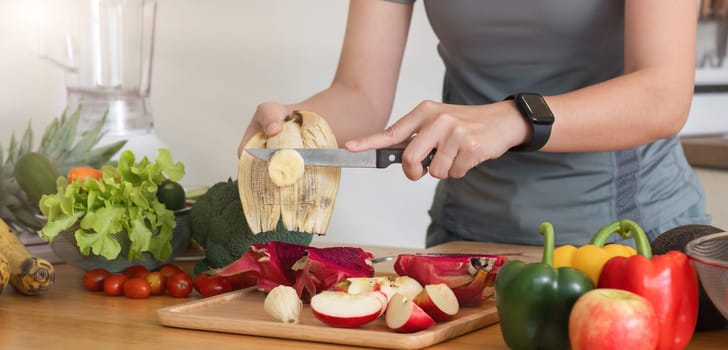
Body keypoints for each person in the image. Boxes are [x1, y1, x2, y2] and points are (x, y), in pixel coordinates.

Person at [239, 0, 710, 247]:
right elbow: (359, 92)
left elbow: (662, 95)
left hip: (629, 239)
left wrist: (514, 118)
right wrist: (298, 126)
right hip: (470, 241)